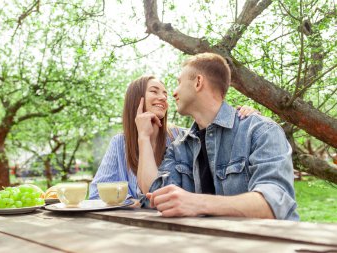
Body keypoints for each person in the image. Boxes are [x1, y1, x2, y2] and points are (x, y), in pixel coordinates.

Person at [136, 53, 299, 220]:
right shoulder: (180, 147)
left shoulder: (261, 131)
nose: (174, 93)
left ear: (198, 82)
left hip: (267, 243)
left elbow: (273, 204)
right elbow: (155, 197)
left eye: (179, 83)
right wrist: (143, 137)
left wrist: (197, 204)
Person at [89, 75, 258, 203]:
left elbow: (216, 129)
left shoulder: (182, 138)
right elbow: (96, 194)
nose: (163, 97)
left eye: (165, 93)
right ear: (136, 99)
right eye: (154, 91)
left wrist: (242, 116)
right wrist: (130, 203)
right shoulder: (120, 143)